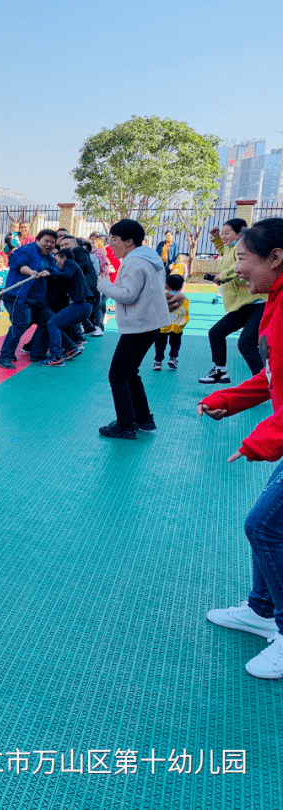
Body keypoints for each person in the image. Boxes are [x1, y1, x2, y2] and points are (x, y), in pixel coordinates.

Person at [200, 219, 283, 678]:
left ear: (275, 258)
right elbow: (273, 375)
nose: (238, 268)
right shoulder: (274, 301)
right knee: (268, 527)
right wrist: (226, 400)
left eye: (244, 258)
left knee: (265, 527)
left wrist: (259, 442)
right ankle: (261, 610)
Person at [96, 219, 168, 439]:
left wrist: (103, 284)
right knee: (130, 373)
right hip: (148, 324)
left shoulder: (134, 263)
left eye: (114, 240)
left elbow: (128, 295)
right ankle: (144, 419)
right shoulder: (148, 258)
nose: (111, 245)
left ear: (129, 241)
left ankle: (126, 425)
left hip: (138, 325)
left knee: (117, 375)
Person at [200, 218, 265, 384]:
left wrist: (221, 277)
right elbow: (225, 252)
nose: (223, 236)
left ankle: (263, 383)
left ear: (240, 233)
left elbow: (238, 264)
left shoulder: (244, 248)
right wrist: (216, 239)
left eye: (226, 233)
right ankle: (220, 371)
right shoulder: (232, 248)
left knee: (246, 343)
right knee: (216, 333)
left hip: (257, 303)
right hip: (243, 305)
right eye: (222, 233)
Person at [0, 230, 59, 369]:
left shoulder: (47, 256)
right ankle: (4, 357)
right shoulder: (25, 250)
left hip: (37, 300)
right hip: (17, 297)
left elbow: (53, 268)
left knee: (50, 321)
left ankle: (37, 353)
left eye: (52, 243)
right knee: (20, 324)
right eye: (46, 241)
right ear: (38, 239)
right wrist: (30, 272)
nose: (49, 244)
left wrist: (47, 272)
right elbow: (18, 265)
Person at [36, 248, 93, 367]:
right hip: (82, 305)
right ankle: (72, 348)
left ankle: (56, 357)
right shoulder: (69, 271)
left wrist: (49, 273)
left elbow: (66, 275)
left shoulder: (70, 263)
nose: (57, 264)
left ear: (64, 258)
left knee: (52, 323)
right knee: (56, 323)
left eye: (57, 260)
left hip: (82, 304)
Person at [152, 274, 188, 371]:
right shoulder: (184, 299)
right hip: (177, 325)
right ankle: (173, 358)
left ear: (166, 285)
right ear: (181, 286)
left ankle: (158, 361)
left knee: (160, 343)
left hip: (162, 325)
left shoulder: (160, 298)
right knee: (175, 342)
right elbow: (185, 313)